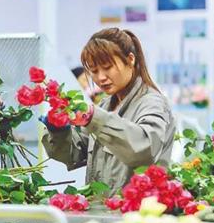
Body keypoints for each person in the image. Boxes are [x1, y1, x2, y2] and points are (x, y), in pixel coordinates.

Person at [43, 28, 175, 193]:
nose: (101, 77)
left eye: (107, 67)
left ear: (130, 60)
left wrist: (94, 119)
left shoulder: (152, 103)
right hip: (101, 206)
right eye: (94, 71)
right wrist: (59, 132)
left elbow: (144, 150)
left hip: (137, 207)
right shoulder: (105, 105)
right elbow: (74, 154)